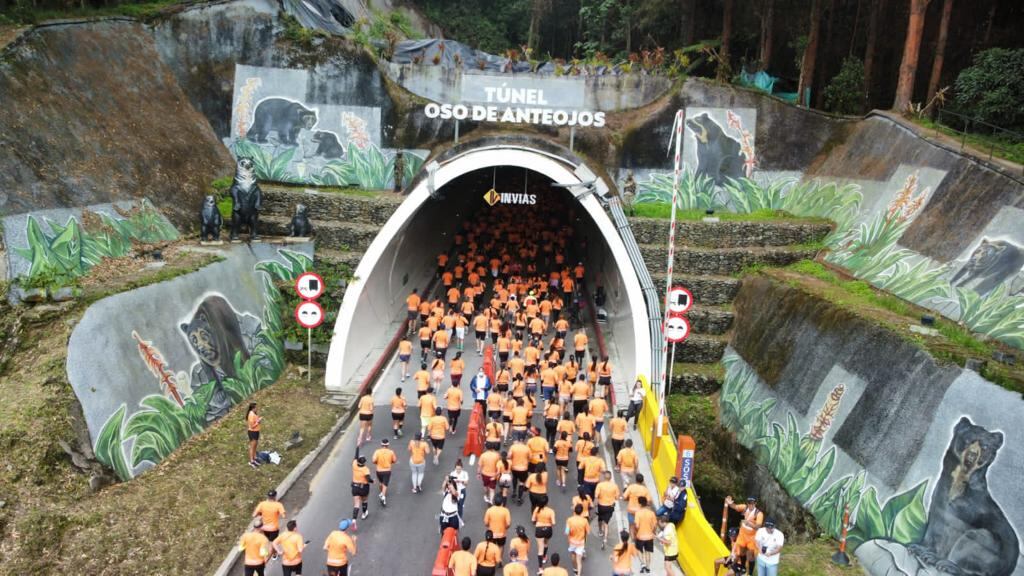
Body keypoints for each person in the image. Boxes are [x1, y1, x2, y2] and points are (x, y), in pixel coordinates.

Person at [725, 495, 764, 574]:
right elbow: (735, 507)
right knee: (742, 551)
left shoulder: (759, 514)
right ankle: (742, 568)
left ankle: (750, 573)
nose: (750, 505)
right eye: (749, 503)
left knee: (750, 556)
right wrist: (730, 504)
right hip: (743, 534)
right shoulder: (745, 507)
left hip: (752, 536)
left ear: (755, 503)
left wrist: (749, 524)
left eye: (752, 503)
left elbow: (758, 526)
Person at [595, 471, 620, 549]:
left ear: (604, 477)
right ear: (611, 477)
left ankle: (600, 531)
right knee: (606, 523)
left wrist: (595, 504)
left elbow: (596, 496)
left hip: (601, 505)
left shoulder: (600, 485)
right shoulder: (615, 486)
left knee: (600, 518)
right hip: (610, 506)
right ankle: (605, 539)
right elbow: (617, 498)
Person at [622, 473, 651, 538]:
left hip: (631, 510)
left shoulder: (631, 487)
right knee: (638, 526)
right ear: (642, 481)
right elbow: (649, 502)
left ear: (636, 480)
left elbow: (624, 497)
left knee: (631, 525)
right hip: (640, 511)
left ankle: (633, 540)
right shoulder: (645, 490)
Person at [634, 496, 658, 573]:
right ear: (646, 503)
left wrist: (636, 532)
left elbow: (636, 526)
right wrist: (653, 532)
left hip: (640, 536)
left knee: (639, 550)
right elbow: (655, 525)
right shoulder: (651, 513)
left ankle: (643, 564)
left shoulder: (638, 513)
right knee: (648, 552)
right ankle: (648, 568)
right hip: (649, 536)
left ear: (640, 504)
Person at [565, 504, 591, 576]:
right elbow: (588, 532)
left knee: (573, 556)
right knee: (579, 561)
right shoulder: (584, 521)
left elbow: (566, 532)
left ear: (574, 511)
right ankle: (578, 574)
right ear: (582, 512)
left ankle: (574, 569)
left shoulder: (569, 520)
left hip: (572, 541)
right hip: (580, 543)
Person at [372, 438, 397, 506]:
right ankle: (383, 496)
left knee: (381, 482)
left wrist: (377, 462)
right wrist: (390, 461)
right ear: (388, 445)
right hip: (387, 470)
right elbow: (394, 460)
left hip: (379, 470)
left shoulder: (377, 451)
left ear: (381, 444)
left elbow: (373, 460)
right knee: (385, 484)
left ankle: (382, 492)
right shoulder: (391, 452)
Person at [531, 500, 556, 566]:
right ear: (547, 502)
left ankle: (540, 567)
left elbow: (533, 520)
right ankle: (544, 556)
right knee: (546, 543)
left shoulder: (537, 509)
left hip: (539, 529)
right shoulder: (551, 511)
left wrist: (536, 523)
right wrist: (549, 523)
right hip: (548, 529)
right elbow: (553, 523)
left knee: (540, 548)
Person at [351, 454, 373, 520]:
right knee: (364, 500)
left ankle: (354, 520)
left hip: (355, 487)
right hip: (364, 488)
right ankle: (364, 513)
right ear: (364, 462)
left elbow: (355, 456)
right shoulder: (366, 469)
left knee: (356, 504)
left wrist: (357, 446)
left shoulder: (354, 465)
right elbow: (368, 479)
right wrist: (373, 481)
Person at [246, 402, 262, 469]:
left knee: (255, 446)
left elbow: (255, 422)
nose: (257, 408)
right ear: (253, 408)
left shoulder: (254, 413)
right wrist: (258, 422)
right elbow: (252, 426)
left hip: (256, 431)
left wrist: (258, 420)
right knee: (252, 447)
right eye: (256, 407)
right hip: (252, 432)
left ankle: (254, 458)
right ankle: (251, 461)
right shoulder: (251, 415)